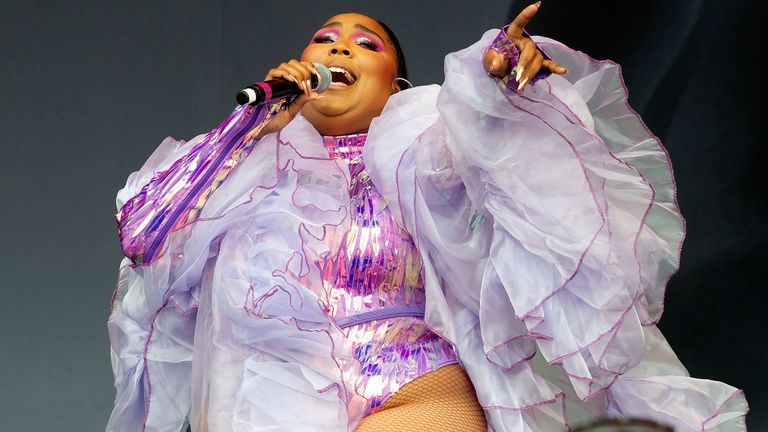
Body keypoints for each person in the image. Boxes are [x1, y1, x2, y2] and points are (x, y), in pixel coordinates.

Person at [107, 4, 748, 431]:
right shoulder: (246, 162)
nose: (340, 50)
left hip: (417, 387)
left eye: (366, 44)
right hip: (277, 399)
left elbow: (493, 151)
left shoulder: (422, 145)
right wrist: (250, 132)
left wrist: (497, 81)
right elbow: (145, 235)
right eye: (325, 40)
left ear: (395, 83)